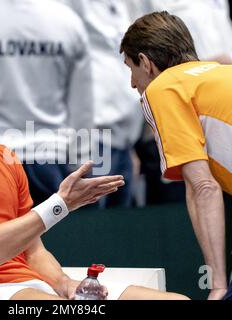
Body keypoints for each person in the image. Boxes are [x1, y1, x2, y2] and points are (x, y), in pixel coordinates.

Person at [0, 34, 188, 300]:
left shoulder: (3, 158)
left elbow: (33, 251)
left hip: (30, 287)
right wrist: (60, 204)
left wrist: (65, 283)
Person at [120, 11, 232, 300]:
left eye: (130, 68)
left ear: (145, 62)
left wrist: (218, 284)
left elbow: (203, 186)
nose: (133, 83)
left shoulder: (163, 87)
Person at [0, 0, 94, 205]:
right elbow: (81, 105)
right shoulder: (67, 21)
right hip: (49, 157)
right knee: (53, 237)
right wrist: (81, 166)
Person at [58, 0, 144, 208]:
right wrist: (79, 149)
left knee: (120, 229)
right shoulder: (67, 8)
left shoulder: (122, 6)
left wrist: (128, 143)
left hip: (122, 140)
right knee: (92, 227)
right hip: (90, 139)